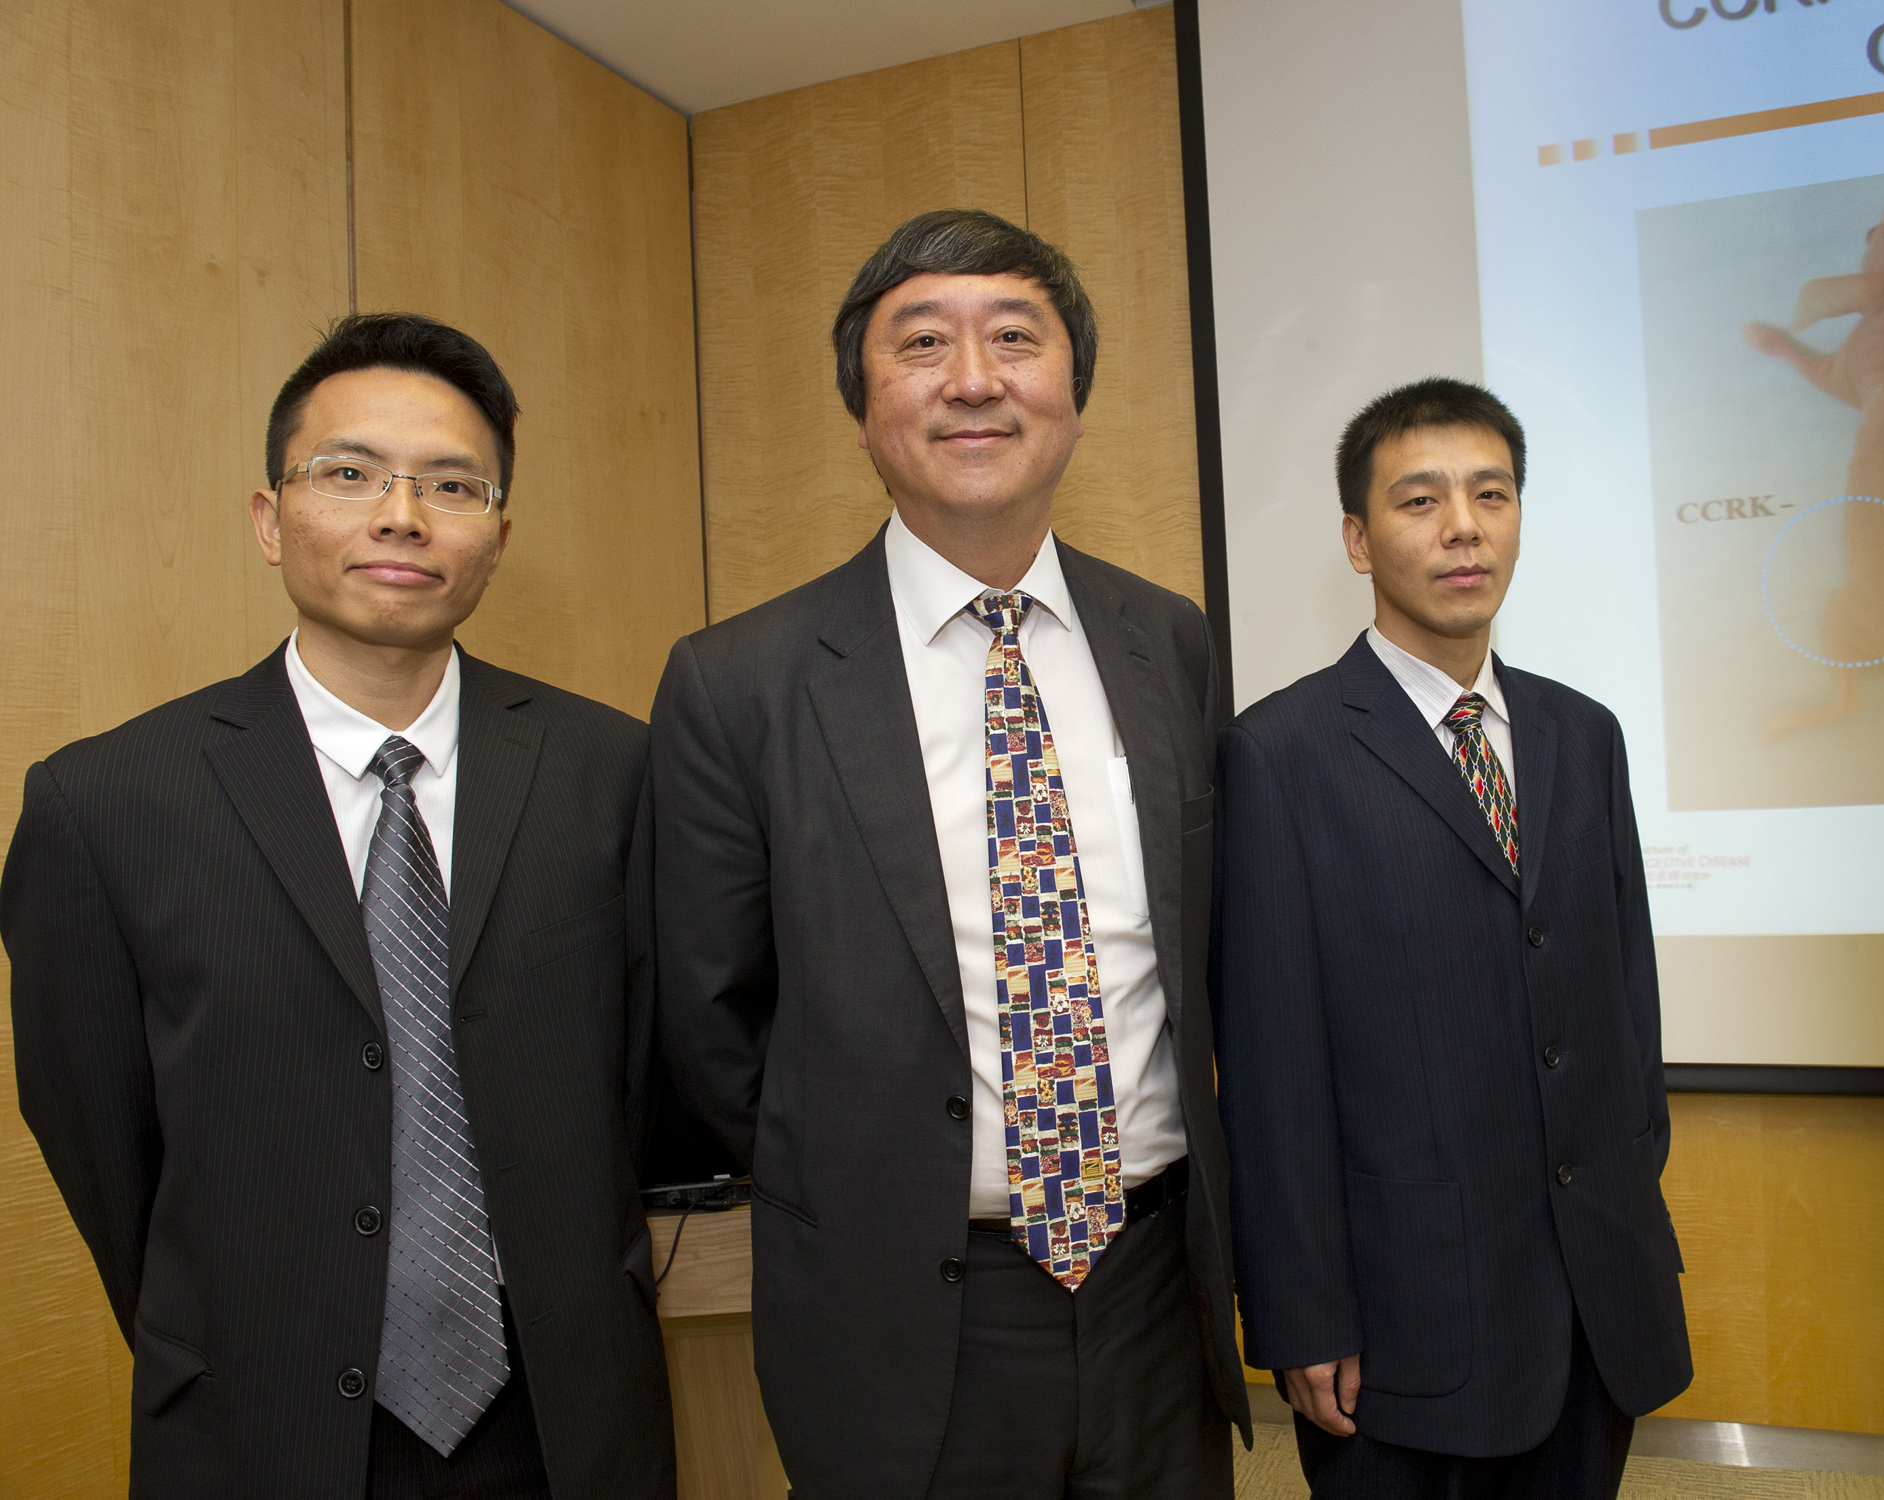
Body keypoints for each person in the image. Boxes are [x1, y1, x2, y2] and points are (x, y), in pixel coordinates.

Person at [3, 314, 674, 1499]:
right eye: (349, 474)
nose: (402, 514)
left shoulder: (616, 775)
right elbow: (101, 1142)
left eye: (451, 484)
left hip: (566, 1424)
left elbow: (648, 1088)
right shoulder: (104, 800)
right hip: (249, 1426)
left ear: (498, 535)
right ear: (270, 519)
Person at [651, 208, 1250, 1499]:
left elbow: (1204, 955)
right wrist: (871, 1161)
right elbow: (711, 1022)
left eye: (1014, 340)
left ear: (1073, 396)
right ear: (862, 410)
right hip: (900, 1306)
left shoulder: (1168, 643)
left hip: (1153, 1291)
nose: (973, 379)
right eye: (922, 343)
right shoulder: (739, 681)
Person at [1213, 378, 1692, 1499]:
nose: (1463, 526)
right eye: (1419, 500)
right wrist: (1302, 1312)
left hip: (1592, 1298)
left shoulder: (1583, 732)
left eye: (1491, 493)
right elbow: (1273, 1066)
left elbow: (1624, 1000)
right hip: (1400, 1322)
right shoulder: (1279, 754)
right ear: (1356, 538)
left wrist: (1626, 1194)